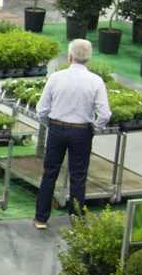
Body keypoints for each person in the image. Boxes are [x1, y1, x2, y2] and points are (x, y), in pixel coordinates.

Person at [32, 39, 112, 229]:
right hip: (82, 132)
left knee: (50, 173)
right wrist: (94, 129)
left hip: (57, 129)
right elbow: (105, 114)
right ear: (88, 58)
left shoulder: (56, 77)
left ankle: (41, 218)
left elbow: (41, 109)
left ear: (70, 57)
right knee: (78, 176)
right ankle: (76, 220)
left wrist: (50, 124)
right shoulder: (96, 81)